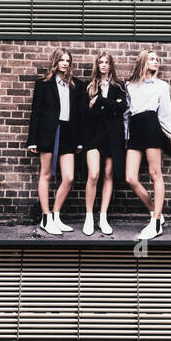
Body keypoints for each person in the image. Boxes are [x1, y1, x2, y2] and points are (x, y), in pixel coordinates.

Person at [27, 49, 85, 235]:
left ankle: (55, 215)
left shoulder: (76, 86)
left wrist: (79, 141)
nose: (65, 63)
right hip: (48, 132)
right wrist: (32, 140)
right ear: (55, 62)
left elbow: (79, 116)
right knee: (46, 174)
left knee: (68, 177)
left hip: (68, 133)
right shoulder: (43, 85)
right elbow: (36, 113)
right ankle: (45, 218)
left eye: (68, 60)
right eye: (61, 60)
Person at [124, 50, 171, 240]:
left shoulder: (162, 85)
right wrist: (126, 135)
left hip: (152, 126)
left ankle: (155, 222)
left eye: (158, 60)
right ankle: (157, 213)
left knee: (155, 174)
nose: (156, 62)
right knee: (130, 177)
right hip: (136, 129)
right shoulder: (129, 85)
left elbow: (166, 114)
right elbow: (127, 114)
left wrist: (168, 138)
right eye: (152, 58)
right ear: (143, 60)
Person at [82, 52, 127, 235]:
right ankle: (88, 216)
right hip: (94, 136)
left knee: (108, 174)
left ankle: (103, 216)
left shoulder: (119, 87)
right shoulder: (89, 86)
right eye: (100, 62)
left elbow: (122, 108)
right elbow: (86, 113)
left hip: (113, 136)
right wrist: (111, 107)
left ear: (111, 65)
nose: (103, 65)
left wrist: (100, 102)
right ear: (96, 65)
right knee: (94, 174)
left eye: (106, 62)